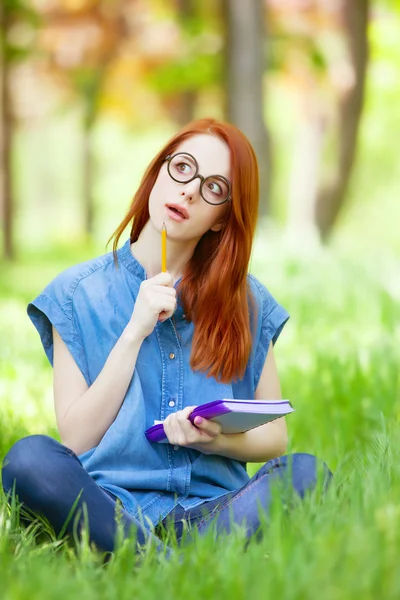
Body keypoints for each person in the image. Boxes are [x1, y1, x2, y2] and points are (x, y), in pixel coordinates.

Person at [1, 118, 331, 557]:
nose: (190, 190)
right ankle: (165, 565)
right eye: (183, 168)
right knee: (29, 461)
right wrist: (135, 329)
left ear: (220, 219)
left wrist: (210, 437)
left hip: (212, 510)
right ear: (159, 172)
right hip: (110, 507)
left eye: (213, 188)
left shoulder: (247, 301)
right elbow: (76, 439)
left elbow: (274, 439)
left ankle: (142, 561)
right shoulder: (78, 293)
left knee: (307, 474)